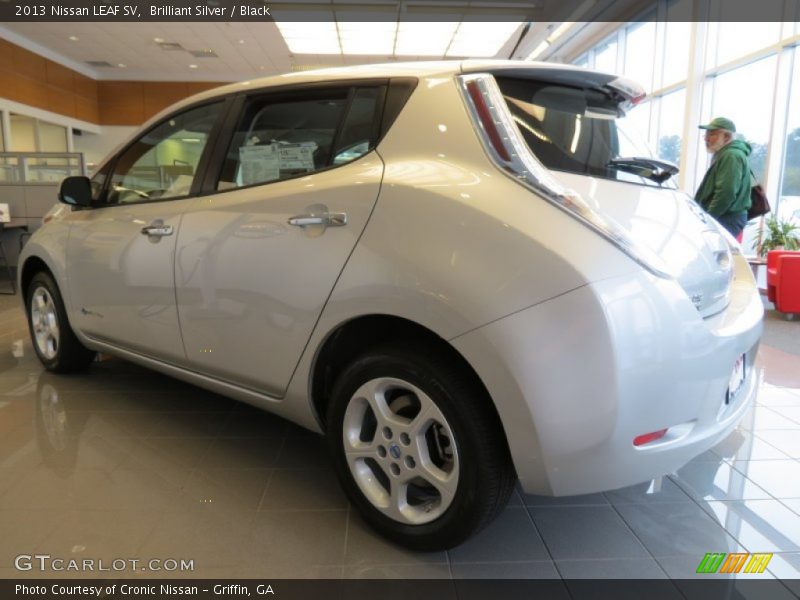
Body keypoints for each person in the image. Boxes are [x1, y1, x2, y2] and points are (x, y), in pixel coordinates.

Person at [695, 117, 752, 239]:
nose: (706, 138)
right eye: (706, 134)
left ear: (726, 137)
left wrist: (708, 218)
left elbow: (726, 193)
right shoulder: (727, 154)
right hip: (726, 216)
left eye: (712, 134)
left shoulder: (731, 155)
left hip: (726, 217)